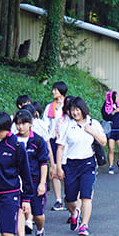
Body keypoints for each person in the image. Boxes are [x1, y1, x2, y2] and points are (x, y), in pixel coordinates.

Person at [56, 97, 107, 236]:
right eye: (72, 110)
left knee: (86, 196)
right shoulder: (67, 125)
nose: (75, 113)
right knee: (70, 198)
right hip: (71, 164)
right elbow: (60, 147)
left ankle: (84, 225)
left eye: (77, 110)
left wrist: (92, 132)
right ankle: (74, 213)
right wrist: (58, 167)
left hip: (88, 163)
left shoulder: (93, 123)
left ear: (83, 109)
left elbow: (103, 142)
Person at [13, 109, 49, 236]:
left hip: (35, 181)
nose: (20, 127)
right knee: (20, 210)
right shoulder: (13, 140)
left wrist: (42, 183)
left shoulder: (38, 141)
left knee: (38, 213)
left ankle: (40, 231)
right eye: (18, 123)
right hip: (18, 182)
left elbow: (44, 163)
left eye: (23, 123)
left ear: (30, 123)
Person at [42, 81, 68, 211]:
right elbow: (45, 124)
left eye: (56, 90)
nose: (53, 92)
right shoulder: (49, 107)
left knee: (64, 168)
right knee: (55, 169)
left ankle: (69, 196)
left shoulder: (68, 106)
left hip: (65, 142)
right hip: (52, 140)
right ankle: (58, 199)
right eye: (53, 90)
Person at [101, 90, 119, 174]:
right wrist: (113, 112)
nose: (117, 98)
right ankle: (111, 166)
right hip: (111, 130)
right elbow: (105, 117)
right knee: (111, 149)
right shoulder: (106, 107)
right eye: (116, 97)